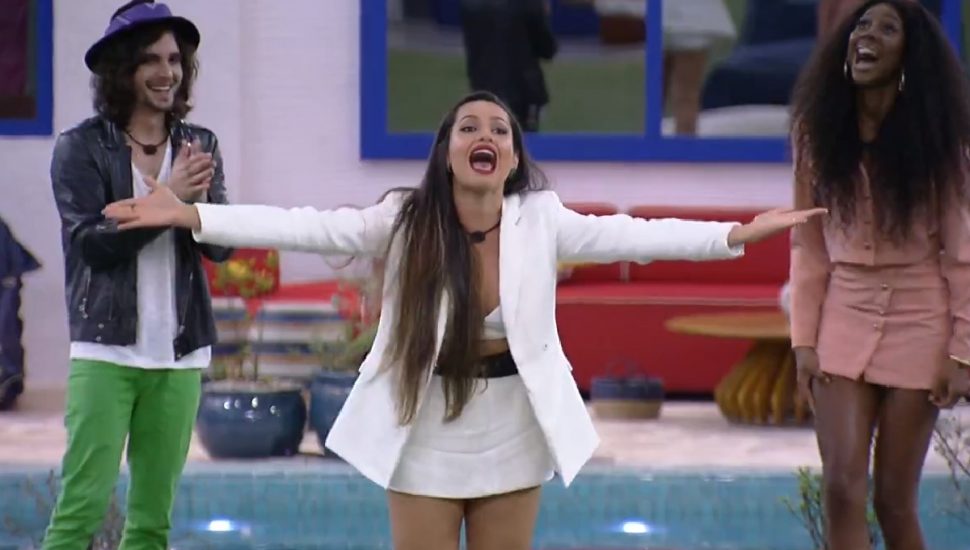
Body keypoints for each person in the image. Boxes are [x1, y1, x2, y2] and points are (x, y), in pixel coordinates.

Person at [103, 90, 824, 550]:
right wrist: (192, 215)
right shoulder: (405, 218)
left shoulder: (542, 218)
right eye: (469, 126)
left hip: (513, 424)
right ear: (448, 153)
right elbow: (305, 224)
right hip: (424, 424)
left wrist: (735, 234)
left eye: (500, 129)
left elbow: (637, 235)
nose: (486, 134)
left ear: (511, 158)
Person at [44, 1, 232, 548]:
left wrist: (192, 208)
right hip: (106, 350)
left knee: (152, 523)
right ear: (121, 68)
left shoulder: (201, 144)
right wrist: (171, 198)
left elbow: (221, 247)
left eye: (174, 59)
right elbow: (92, 246)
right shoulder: (80, 148)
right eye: (151, 59)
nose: (166, 71)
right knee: (79, 512)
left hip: (179, 352)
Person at [788, 1, 970, 549]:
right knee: (841, 487)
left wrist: (962, 352)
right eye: (862, 25)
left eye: (887, 28)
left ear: (911, 55)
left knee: (893, 500)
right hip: (844, 314)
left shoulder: (939, 144)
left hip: (921, 318)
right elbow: (808, 244)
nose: (867, 35)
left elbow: (962, 253)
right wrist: (803, 342)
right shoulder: (817, 135)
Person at [459, 0, 557, 132]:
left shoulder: (471, 5)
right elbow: (547, 50)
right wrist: (543, 15)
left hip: (482, 89)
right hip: (523, 93)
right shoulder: (528, 5)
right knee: (521, 139)